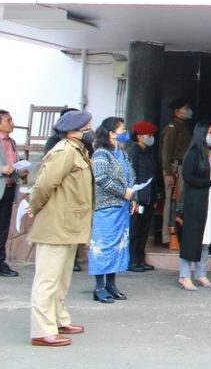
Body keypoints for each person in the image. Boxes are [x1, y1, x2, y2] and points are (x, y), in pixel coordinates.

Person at [27, 110, 94, 347]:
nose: (91, 131)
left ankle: (58, 319)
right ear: (76, 130)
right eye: (88, 126)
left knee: (62, 277)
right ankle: (41, 330)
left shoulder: (78, 150)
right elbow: (44, 184)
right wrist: (34, 207)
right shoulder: (64, 151)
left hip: (69, 223)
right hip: (55, 223)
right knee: (47, 279)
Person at [88, 117, 136, 303]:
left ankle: (111, 284)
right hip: (107, 207)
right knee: (104, 245)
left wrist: (132, 197)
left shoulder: (122, 153)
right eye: (122, 130)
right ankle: (99, 287)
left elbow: (130, 175)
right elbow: (100, 178)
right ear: (111, 133)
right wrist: (123, 192)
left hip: (122, 207)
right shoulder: (101, 153)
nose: (125, 133)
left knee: (118, 246)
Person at [178, 121, 211, 291]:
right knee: (192, 238)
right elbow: (188, 176)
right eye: (209, 132)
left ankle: (201, 274)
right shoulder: (194, 153)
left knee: (206, 239)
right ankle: (185, 276)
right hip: (197, 201)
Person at [43, 107, 85, 272]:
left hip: (77, 195)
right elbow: (47, 178)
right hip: (61, 195)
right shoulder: (57, 144)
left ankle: (72, 259)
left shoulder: (81, 144)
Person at [0, 109, 27, 277]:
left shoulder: (12, 142)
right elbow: (0, 166)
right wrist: (1, 169)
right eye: (8, 120)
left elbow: (12, 164)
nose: (12, 122)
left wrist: (20, 170)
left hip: (8, 188)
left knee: (1, 229)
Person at [160, 98, 192, 247]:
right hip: (174, 168)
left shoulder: (182, 126)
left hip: (181, 168)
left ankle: (176, 233)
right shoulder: (172, 127)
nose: (188, 111)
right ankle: (167, 236)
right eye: (185, 108)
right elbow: (166, 152)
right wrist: (167, 173)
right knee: (170, 203)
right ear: (177, 110)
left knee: (178, 203)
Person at [127, 120, 158, 273]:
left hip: (148, 197)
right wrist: (135, 199)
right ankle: (132, 260)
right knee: (135, 229)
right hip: (138, 198)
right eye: (148, 134)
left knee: (144, 229)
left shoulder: (148, 152)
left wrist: (156, 197)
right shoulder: (133, 151)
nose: (151, 137)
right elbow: (131, 176)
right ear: (139, 136)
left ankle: (140, 258)